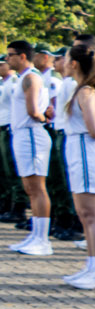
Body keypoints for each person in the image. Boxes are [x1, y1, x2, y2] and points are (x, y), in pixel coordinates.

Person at [57, 44, 95, 289]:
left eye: (66, 59)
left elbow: (92, 126)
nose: (62, 63)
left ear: (75, 64)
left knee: (92, 214)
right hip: (80, 149)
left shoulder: (86, 92)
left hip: (86, 150)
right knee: (85, 214)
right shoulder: (82, 89)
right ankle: (91, 265)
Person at [5, 41, 55, 256]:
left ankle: (42, 239)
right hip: (22, 134)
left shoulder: (31, 78)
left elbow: (34, 111)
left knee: (37, 187)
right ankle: (35, 235)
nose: (7, 59)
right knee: (29, 188)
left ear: (23, 56)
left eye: (11, 55)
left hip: (32, 134)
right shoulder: (24, 78)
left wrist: (43, 118)